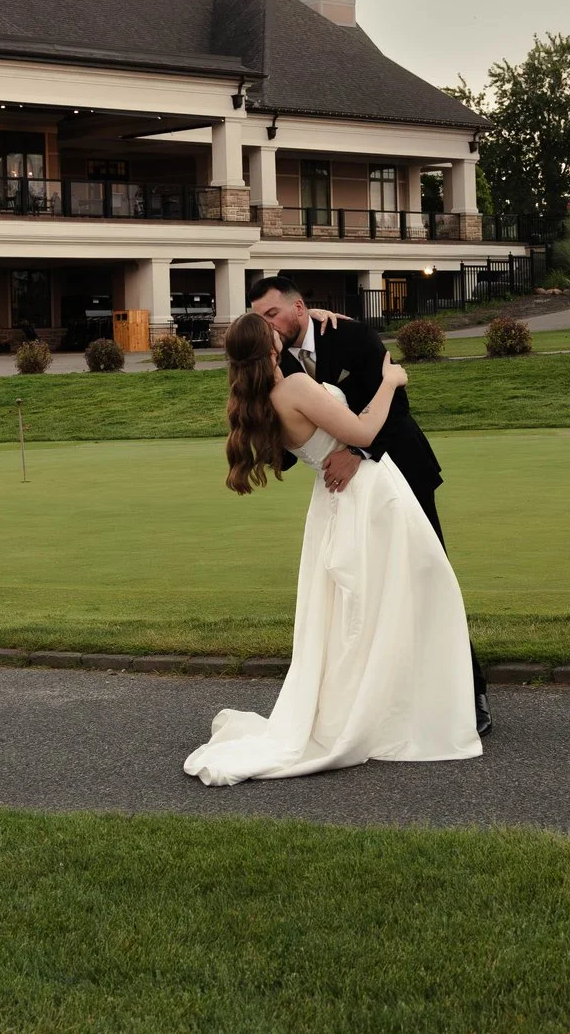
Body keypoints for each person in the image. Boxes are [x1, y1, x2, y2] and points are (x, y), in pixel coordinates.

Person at [183, 307, 482, 787]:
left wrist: (317, 312)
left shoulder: (266, 398)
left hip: (337, 502)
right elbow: (362, 432)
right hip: (367, 497)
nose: (280, 330)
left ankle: (384, 705)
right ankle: (394, 714)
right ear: (269, 346)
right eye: (272, 330)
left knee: (364, 611)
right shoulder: (293, 390)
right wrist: (391, 380)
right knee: (413, 593)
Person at [248, 275, 491, 737]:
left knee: (427, 577)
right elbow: (290, 441)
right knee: (366, 596)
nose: (270, 325)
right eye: (261, 319)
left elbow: (396, 406)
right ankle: (381, 700)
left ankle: (469, 692)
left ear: (300, 308)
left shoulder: (350, 334)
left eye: (273, 314)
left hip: (400, 475)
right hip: (346, 498)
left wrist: (359, 452)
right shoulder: (276, 367)